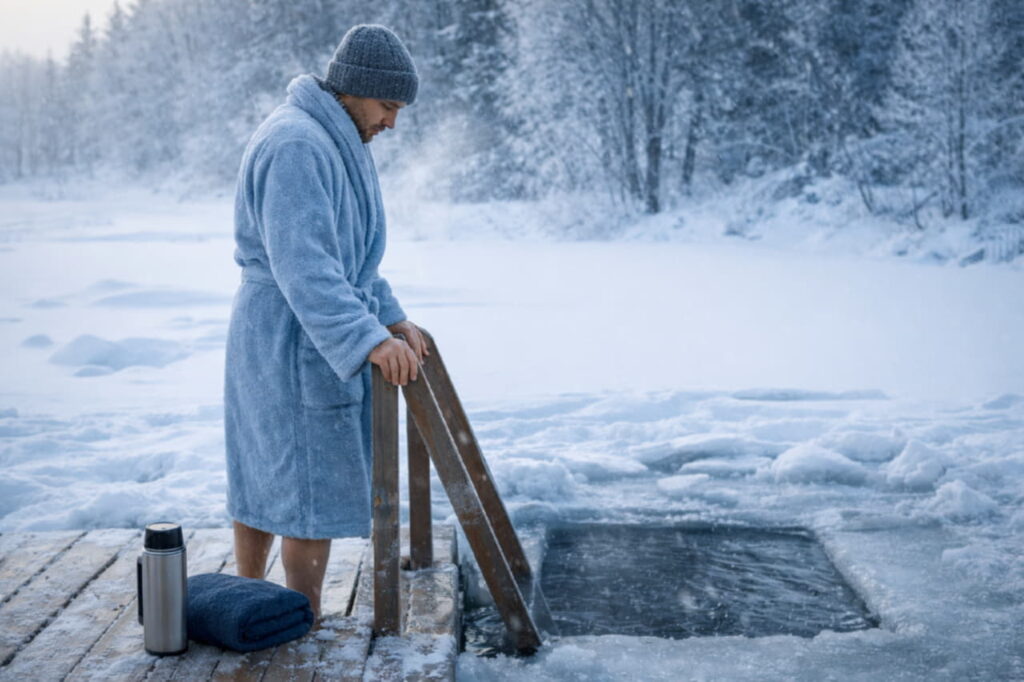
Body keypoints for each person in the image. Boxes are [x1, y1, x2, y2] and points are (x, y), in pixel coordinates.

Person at [224, 24, 427, 620]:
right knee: (298, 481)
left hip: (293, 329)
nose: (392, 122)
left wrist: (388, 315)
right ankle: (292, 619)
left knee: (275, 472)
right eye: (388, 105)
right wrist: (364, 335)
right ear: (355, 90)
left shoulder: (333, 138)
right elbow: (307, 267)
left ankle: (261, 610)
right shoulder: (298, 146)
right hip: (288, 335)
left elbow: (350, 256)